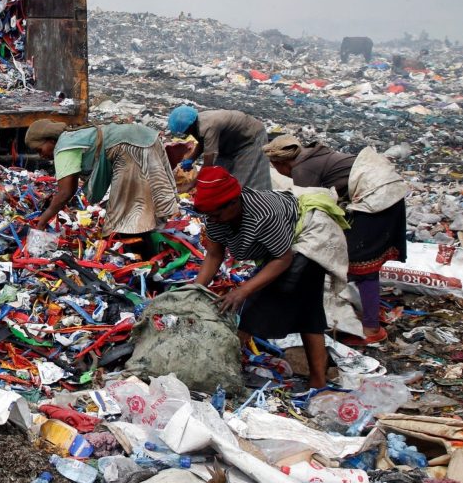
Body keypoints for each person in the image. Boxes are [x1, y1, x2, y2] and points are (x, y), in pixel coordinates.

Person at [193, 166, 349, 393]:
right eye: (210, 216)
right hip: (283, 249)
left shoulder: (263, 214)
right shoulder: (217, 216)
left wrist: (243, 290)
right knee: (307, 310)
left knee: (254, 309)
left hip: (309, 239)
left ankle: (220, 371)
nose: (213, 220)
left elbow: (283, 259)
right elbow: (215, 254)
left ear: (234, 203)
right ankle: (318, 381)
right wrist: (196, 288)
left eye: (216, 214)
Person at [263, 135, 408, 345]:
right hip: (386, 189)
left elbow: (308, 213)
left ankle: (371, 329)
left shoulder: (303, 171)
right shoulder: (312, 154)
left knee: (363, 267)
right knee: (354, 260)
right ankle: (363, 314)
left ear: (280, 163)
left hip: (376, 197)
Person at [24, 120, 180, 255]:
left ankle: (144, 264)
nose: (41, 156)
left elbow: (66, 191)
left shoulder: (64, 146)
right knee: (146, 210)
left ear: (51, 140)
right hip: (147, 138)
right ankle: (153, 256)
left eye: (40, 150)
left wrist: (42, 222)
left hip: (129, 148)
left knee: (126, 218)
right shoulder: (74, 136)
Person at [167, 106, 271, 190]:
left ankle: (253, 207)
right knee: (220, 175)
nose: (186, 134)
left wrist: (191, 184)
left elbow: (208, 164)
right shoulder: (197, 122)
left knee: (244, 181)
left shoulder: (209, 126)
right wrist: (191, 159)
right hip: (230, 143)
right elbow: (203, 141)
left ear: (190, 126)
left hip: (250, 139)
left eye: (186, 132)